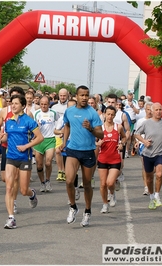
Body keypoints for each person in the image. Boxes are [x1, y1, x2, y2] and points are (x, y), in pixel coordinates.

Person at [0, 94, 44, 229]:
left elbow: (40, 138)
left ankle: (32, 194)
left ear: (23, 106)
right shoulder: (8, 121)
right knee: (9, 187)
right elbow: (7, 137)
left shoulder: (29, 121)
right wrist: (0, 139)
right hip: (11, 156)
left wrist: (26, 146)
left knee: (23, 190)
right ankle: (11, 218)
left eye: (16, 103)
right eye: (12, 103)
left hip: (24, 158)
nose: (13, 106)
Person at [60, 85, 103, 227]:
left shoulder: (92, 113)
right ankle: (73, 207)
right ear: (76, 96)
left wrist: (90, 128)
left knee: (86, 184)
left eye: (87, 95)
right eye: (82, 95)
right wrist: (64, 142)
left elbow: (101, 134)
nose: (84, 98)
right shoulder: (69, 111)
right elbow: (67, 126)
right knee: (69, 180)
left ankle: (87, 211)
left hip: (88, 151)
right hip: (72, 149)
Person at [134, 102, 162, 210]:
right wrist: (144, 141)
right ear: (152, 111)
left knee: (159, 174)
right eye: (156, 110)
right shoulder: (146, 123)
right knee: (149, 178)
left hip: (161, 152)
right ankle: (152, 196)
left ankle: (157, 195)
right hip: (148, 153)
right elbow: (136, 134)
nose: (158, 112)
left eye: (160, 110)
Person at [96, 106, 126, 213]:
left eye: (112, 114)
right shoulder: (100, 128)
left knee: (110, 183)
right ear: (104, 114)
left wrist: (121, 144)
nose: (110, 116)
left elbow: (124, 137)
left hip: (115, 158)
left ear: (115, 115)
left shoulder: (118, 127)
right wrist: (97, 143)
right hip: (103, 158)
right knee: (103, 184)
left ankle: (112, 194)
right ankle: (105, 204)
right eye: (108, 114)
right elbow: (93, 141)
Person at [33, 95, 59, 192]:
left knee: (48, 163)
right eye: (41, 104)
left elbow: (59, 122)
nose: (43, 106)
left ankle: (48, 180)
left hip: (50, 139)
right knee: (39, 165)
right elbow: (32, 127)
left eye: (45, 104)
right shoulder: (36, 113)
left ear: (49, 104)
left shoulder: (53, 113)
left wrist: (59, 131)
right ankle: (42, 182)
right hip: (39, 140)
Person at [133, 102, 153, 195]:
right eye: (148, 109)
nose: (150, 111)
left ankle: (150, 183)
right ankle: (146, 187)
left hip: (155, 146)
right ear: (145, 110)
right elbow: (136, 133)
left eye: (151, 109)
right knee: (145, 166)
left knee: (153, 169)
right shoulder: (141, 121)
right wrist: (137, 142)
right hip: (143, 145)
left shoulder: (156, 121)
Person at [51, 88, 68, 182]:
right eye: (61, 95)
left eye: (64, 95)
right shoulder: (54, 107)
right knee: (58, 151)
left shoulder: (70, 106)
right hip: (57, 131)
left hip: (68, 133)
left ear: (67, 95)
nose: (62, 97)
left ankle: (65, 171)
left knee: (65, 153)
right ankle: (60, 170)